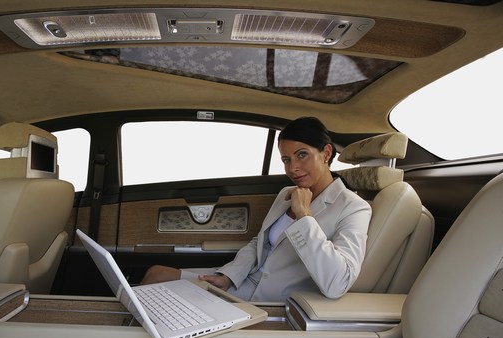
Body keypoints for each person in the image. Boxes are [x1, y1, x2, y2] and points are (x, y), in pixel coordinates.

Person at [141, 117, 372, 302]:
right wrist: (229, 276)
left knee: (159, 283)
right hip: (243, 281)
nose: (293, 168)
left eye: (302, 155)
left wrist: (304, 217)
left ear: (326, 153)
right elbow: (259, 242)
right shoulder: (286, 194)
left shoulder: (353, 208)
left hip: (273, 299)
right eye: (286, 160)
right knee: (156, 274)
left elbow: (338, 283)